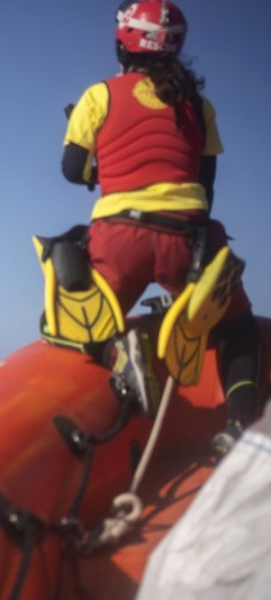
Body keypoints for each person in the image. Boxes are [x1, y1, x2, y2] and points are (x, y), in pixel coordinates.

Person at [61, 0, 259, 453]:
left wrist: (100, 168)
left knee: (85, 324)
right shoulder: (198, 105)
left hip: (117, 237)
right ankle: (237, 425)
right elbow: (204, 188)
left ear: (122, 43)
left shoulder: (99, 95)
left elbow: (73, 170)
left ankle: (117, 353)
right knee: (239, 327)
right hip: (188, 239)